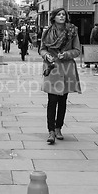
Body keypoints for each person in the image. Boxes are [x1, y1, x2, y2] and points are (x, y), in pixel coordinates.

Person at [39, 8, 81, 144]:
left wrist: (67, 54)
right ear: (54, 17)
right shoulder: (47, 32)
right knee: (52, 100)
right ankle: (51, 131)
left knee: (63, 100)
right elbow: (42, 49)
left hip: (66, 68)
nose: (62, 16)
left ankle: (58, 128)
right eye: (59, 14)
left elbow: (77, 50)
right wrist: (47, 55)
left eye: (64, 14)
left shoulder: (72, 31)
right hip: (52, 68)